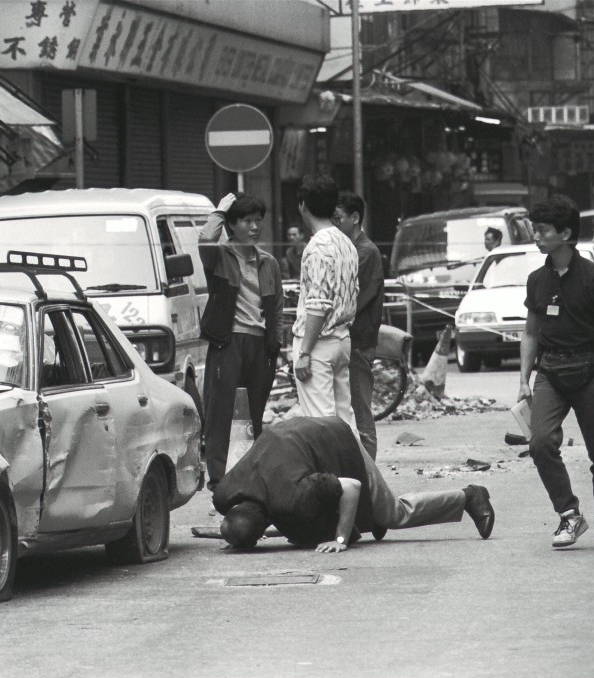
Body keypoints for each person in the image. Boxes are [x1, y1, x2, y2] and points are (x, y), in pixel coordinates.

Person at [518, 195, 594, 550]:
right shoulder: (537, 280)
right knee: (539, 444)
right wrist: (523, 379)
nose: (536, 236)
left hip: (591, 371)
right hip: (550, 372)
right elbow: (531, 332)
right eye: (535, 229)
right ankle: (569, 515)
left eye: (543, 230)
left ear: (565, 234)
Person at [213, 416, 495, 551]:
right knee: (300, 526)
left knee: (395, 513)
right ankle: (369, 516)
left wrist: (339, 540)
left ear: (263, 523)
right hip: (300, 438)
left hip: (338, 441)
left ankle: (469, 496)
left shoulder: (290, 496)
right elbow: (240, 519)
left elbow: (351, 487)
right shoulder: (226, 493)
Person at [198, 192, 285, 491]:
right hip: (229, 342)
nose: (254, 227)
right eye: (247, 221)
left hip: (260, 346)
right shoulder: (220, 256)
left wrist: (277, 345)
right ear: (232, 225)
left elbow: (276, 308)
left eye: (258, 221)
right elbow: (205, 240)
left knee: (254, 412)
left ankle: (250, 473)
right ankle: (220, 479)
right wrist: (220, 211)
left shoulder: (268, 262)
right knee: (221, 413)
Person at [293, 174, 359, 426]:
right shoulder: (346, 242)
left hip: (318, 343)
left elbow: (318, 304)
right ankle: (356, 467)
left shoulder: (317, 246)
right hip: (342, 339)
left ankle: (333, 467)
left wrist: (305, 352)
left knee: (320, 423)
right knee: (344, 419)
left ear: (303, 205)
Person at [335, 191, 384, 460]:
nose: (335, 224)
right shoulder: (354, 250)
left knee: (359, 409)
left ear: (354, 218)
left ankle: (369, 477)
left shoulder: (363, 253)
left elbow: (351, 300)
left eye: (338, 218)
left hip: (358, 341)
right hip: (351, 340)